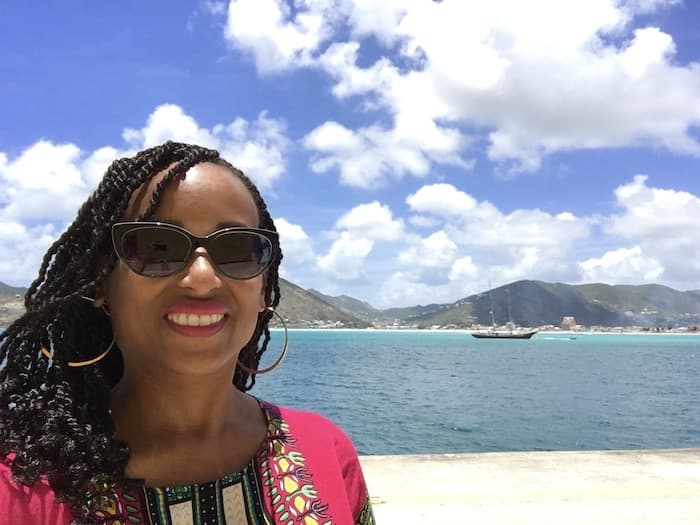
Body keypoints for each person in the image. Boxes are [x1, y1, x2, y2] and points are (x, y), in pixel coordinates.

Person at [0, 142, 375, 525]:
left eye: (236, 248)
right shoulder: (19, 489)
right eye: (156, 247)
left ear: (263, 288)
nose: (202, 278)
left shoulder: (326, 451)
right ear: (101, 283)